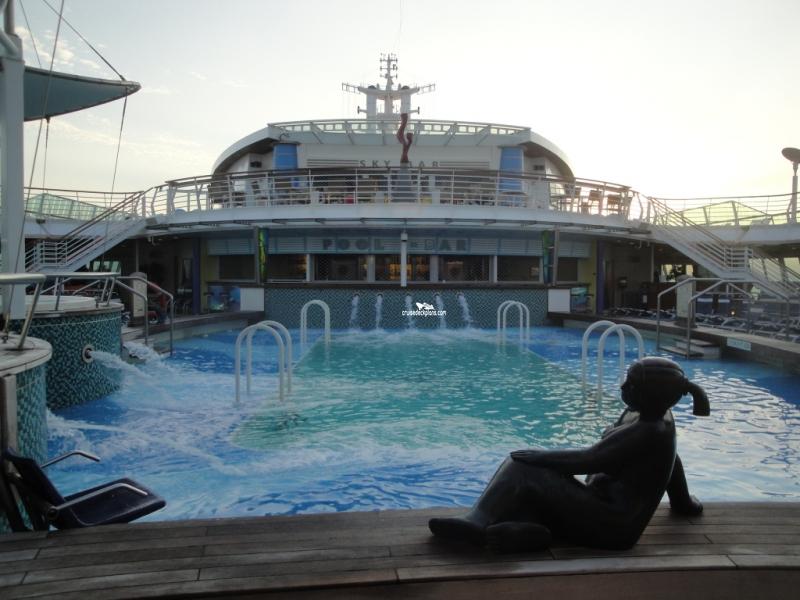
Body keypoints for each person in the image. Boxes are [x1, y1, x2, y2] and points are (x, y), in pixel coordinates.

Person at [429, 357, 709, 552]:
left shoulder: (649, 430)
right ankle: (531, 533)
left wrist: (538, 458)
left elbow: (587, 460)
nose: (623, 387)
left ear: (653, 395)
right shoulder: (654, 419)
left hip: (612, 528)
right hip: (599, 511)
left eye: (632, 385)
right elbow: (671, 462)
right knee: (529, 488)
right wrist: (683, 503)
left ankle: (477, 523)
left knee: (520, 467)